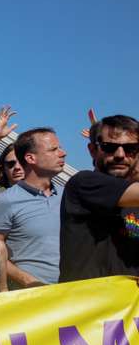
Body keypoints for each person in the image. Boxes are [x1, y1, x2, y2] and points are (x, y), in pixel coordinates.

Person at [59, 115, 139, 281]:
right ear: (92, 150)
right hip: (90, 303)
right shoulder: (83, 182)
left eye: (131, 148)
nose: (120, 154)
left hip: (130, 303)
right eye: (109, 147)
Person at [0, 128, 66, 287]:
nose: (62, 153)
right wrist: (27, 281)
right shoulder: (6, 201)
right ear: (30, 158)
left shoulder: (68, 196)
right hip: (33, 298)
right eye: (53, 149)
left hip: (75, 293)